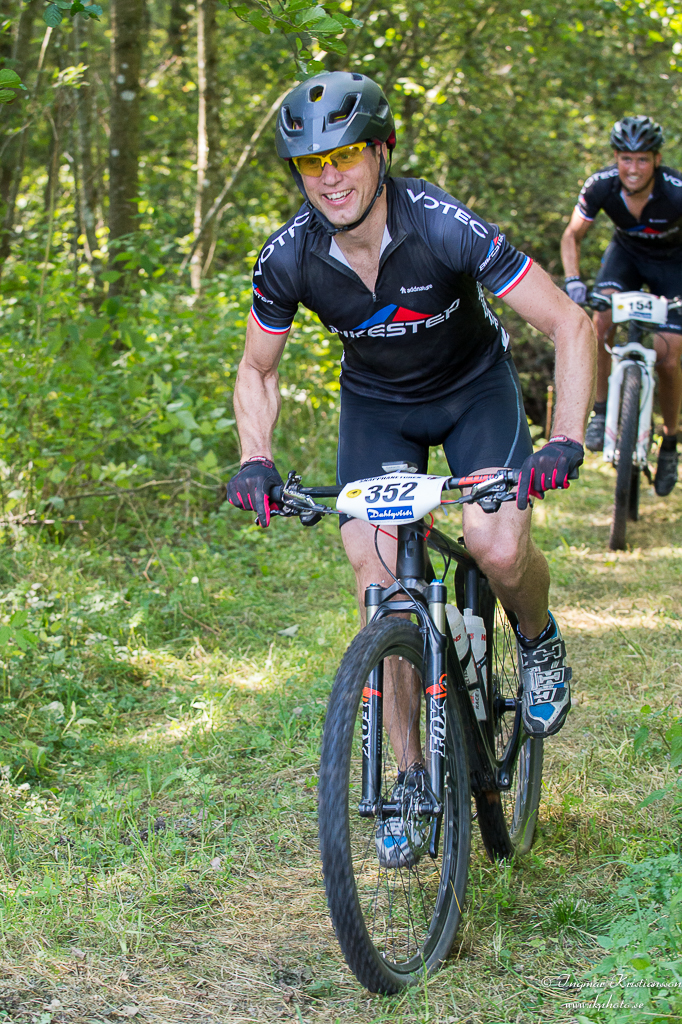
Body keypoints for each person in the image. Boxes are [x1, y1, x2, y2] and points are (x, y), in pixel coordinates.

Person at [226, 72, 595, 866]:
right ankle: (409, 779)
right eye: (311, 162)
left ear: (382, 152)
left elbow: (569, 323)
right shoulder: (289, 257)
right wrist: (256, 457)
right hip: (378, 410)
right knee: (380, 584)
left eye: (346, 154)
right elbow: (257, 369)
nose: (330, 176)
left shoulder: (441, 226)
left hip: (474, 393)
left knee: (496, 547)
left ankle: (537, 639)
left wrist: (564, 438)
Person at [561, 115, 682, 496]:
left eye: (642, 159)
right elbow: (572, 236)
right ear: (616, 158)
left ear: (656, 160)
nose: (633, 168)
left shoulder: (676, 191)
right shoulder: (601, 185)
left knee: (668, 358)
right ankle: (600, 412)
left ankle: (670, 442)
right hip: (626, 259)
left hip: (673, 266)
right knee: (599, 324)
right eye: (626, 158)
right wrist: (574, 280)